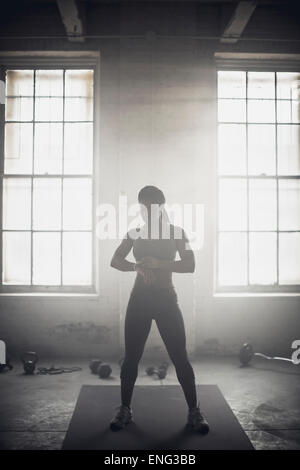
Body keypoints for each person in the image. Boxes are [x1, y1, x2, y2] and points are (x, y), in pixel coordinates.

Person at [109, 185, 209, 434]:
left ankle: (194, 411)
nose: (147, 213)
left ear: (161, 208)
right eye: (143, 208)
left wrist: (159, 263)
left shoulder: (177, 233)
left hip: (166, 301)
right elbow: (115, 260)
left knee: (180, 357)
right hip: (139, 301)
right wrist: (136, 267)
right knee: (131, 358)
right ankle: (124, 409)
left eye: (152, 208)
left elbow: (190, 264)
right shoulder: (134, 233)